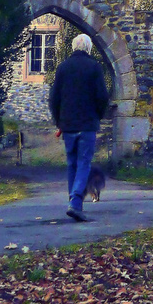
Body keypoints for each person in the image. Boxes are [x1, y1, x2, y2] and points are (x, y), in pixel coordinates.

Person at [49, 34, 110, 222]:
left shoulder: (63, 68)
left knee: (72, 164)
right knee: (84, 163)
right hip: (87, 124)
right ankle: (75, 202)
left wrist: (59, 121)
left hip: (68, 125)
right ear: (89, 48)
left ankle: (74, 203)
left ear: (73, 47)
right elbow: (102, 97)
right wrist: (98, 116)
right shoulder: (94, 67)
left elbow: (54, 99)